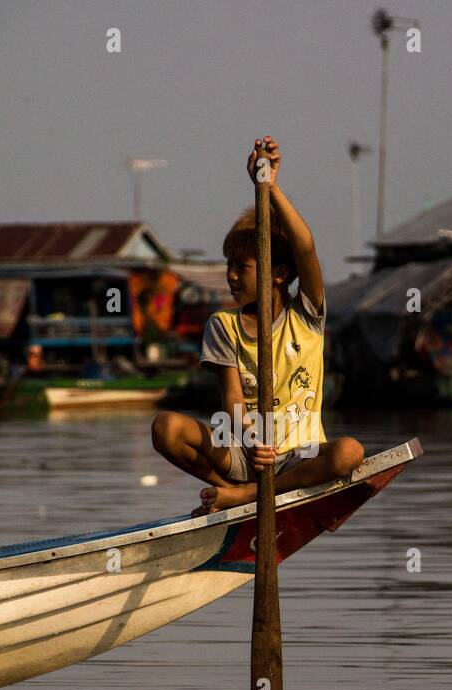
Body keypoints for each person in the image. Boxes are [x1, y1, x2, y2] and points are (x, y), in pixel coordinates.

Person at [151, 136, 363, 515]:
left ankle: (246, 497)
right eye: (228, 266)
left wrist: (268, 188)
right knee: (166, 428)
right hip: (246, 454)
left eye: (242, 268)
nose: (230, 277)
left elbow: (306, 248)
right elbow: (231, 398)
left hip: (301, 456)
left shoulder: (307, 315)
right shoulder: (223, 325)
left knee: (350, 452)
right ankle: (230, 491)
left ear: (279, 274)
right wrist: (251, 440)